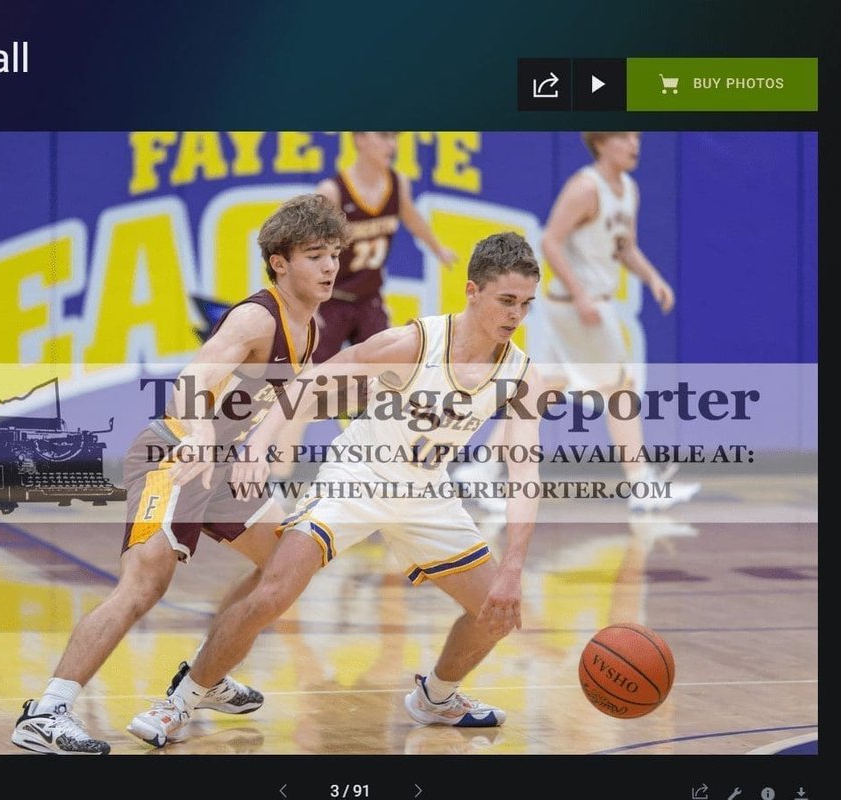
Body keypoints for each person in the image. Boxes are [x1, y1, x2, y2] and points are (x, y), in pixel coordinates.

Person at [129, 232, 546, 747]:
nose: (516, 315)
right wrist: (260, 443)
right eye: (507, 300)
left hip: (426, 493)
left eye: (526, 304)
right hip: (357, 476)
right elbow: (311, 381)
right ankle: (182, 701)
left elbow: (524, 474)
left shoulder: (521, 374)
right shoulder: (413, 344)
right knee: (274, 591)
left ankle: (436, 697)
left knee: (497, 613)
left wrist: (513, 568)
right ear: (472, 291)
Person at [11, 194, 347, 754]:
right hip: (173, 456)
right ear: (280, 262)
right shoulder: (256, 317)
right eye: (316, 255)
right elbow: (192, 381)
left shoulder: (311, 324)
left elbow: (288, 399)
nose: (330, 266)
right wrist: (203, 435)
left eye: (334, 254)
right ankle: (45, 713)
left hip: (221, 468)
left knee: (285, 563)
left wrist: (265, 450)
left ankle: (205, 678)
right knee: (143, 587)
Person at [455, 132, 697, 513]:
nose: (634, 144)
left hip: (568, 308)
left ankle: (481, 470)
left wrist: (653, 278)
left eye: (636, 136)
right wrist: (581, 294)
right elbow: (550, 241)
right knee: (620, 390)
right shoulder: (585, 187)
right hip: (578, 308)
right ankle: (641, 484)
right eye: (624, 137)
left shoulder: (629, 190)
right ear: (601, 142)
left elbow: (626, 247)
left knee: (540, 392)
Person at [311, 131, 457, 363]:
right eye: (384, 136)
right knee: (316, 373)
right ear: (359, 139)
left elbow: (412, 217)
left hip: (368, 297)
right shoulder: (332, 191)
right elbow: (310, 253)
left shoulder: (398, 183)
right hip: (331, 300)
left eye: (394, 138)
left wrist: (438, 249)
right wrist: (310, 305)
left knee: (384, 369)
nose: (392, 145)